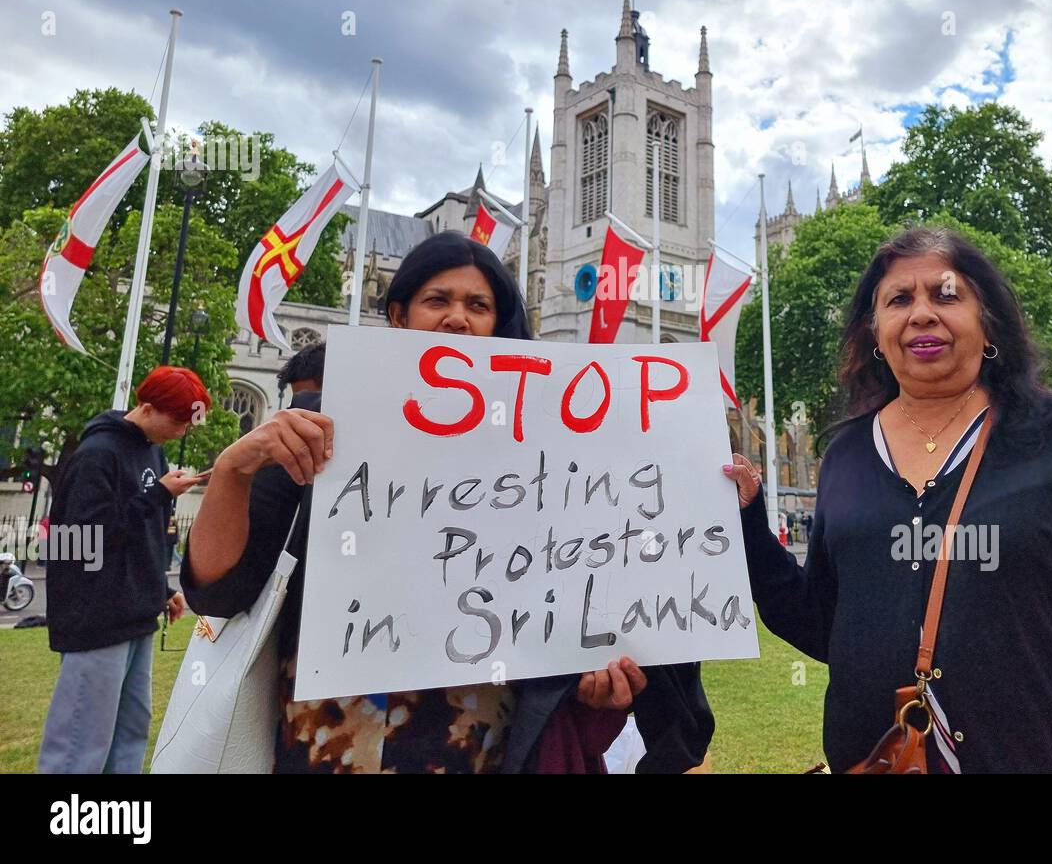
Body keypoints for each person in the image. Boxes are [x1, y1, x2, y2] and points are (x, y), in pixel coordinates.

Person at [182, 233, 714, 773]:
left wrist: (591, 683)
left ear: (497, 325)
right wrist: (231, 472)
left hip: (484, 746)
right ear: (399, 313)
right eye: (438, 300)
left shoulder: (546, 446)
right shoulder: (325, 422)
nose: (457, 318)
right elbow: (218, 591)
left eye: (478, 305)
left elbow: (570, 603)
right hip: (333, 743)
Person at [723, 226, 1052, 773]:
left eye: (946, 294)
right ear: (875, 332)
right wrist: (749, 525)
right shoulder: (848, 454)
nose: (922, 314)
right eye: (899, 300)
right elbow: (826, 625)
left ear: (987, 321)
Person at [38, 366, 210, 773]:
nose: (183, 431)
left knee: (130, 731)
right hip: (97, 616)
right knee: (82, 739)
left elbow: (144, 533)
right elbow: (77, 544)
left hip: (136, 613)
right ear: (147, 407)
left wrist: (159, 589)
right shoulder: (97, 455)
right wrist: (157, 494)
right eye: (178, 420)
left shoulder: (152, 450)